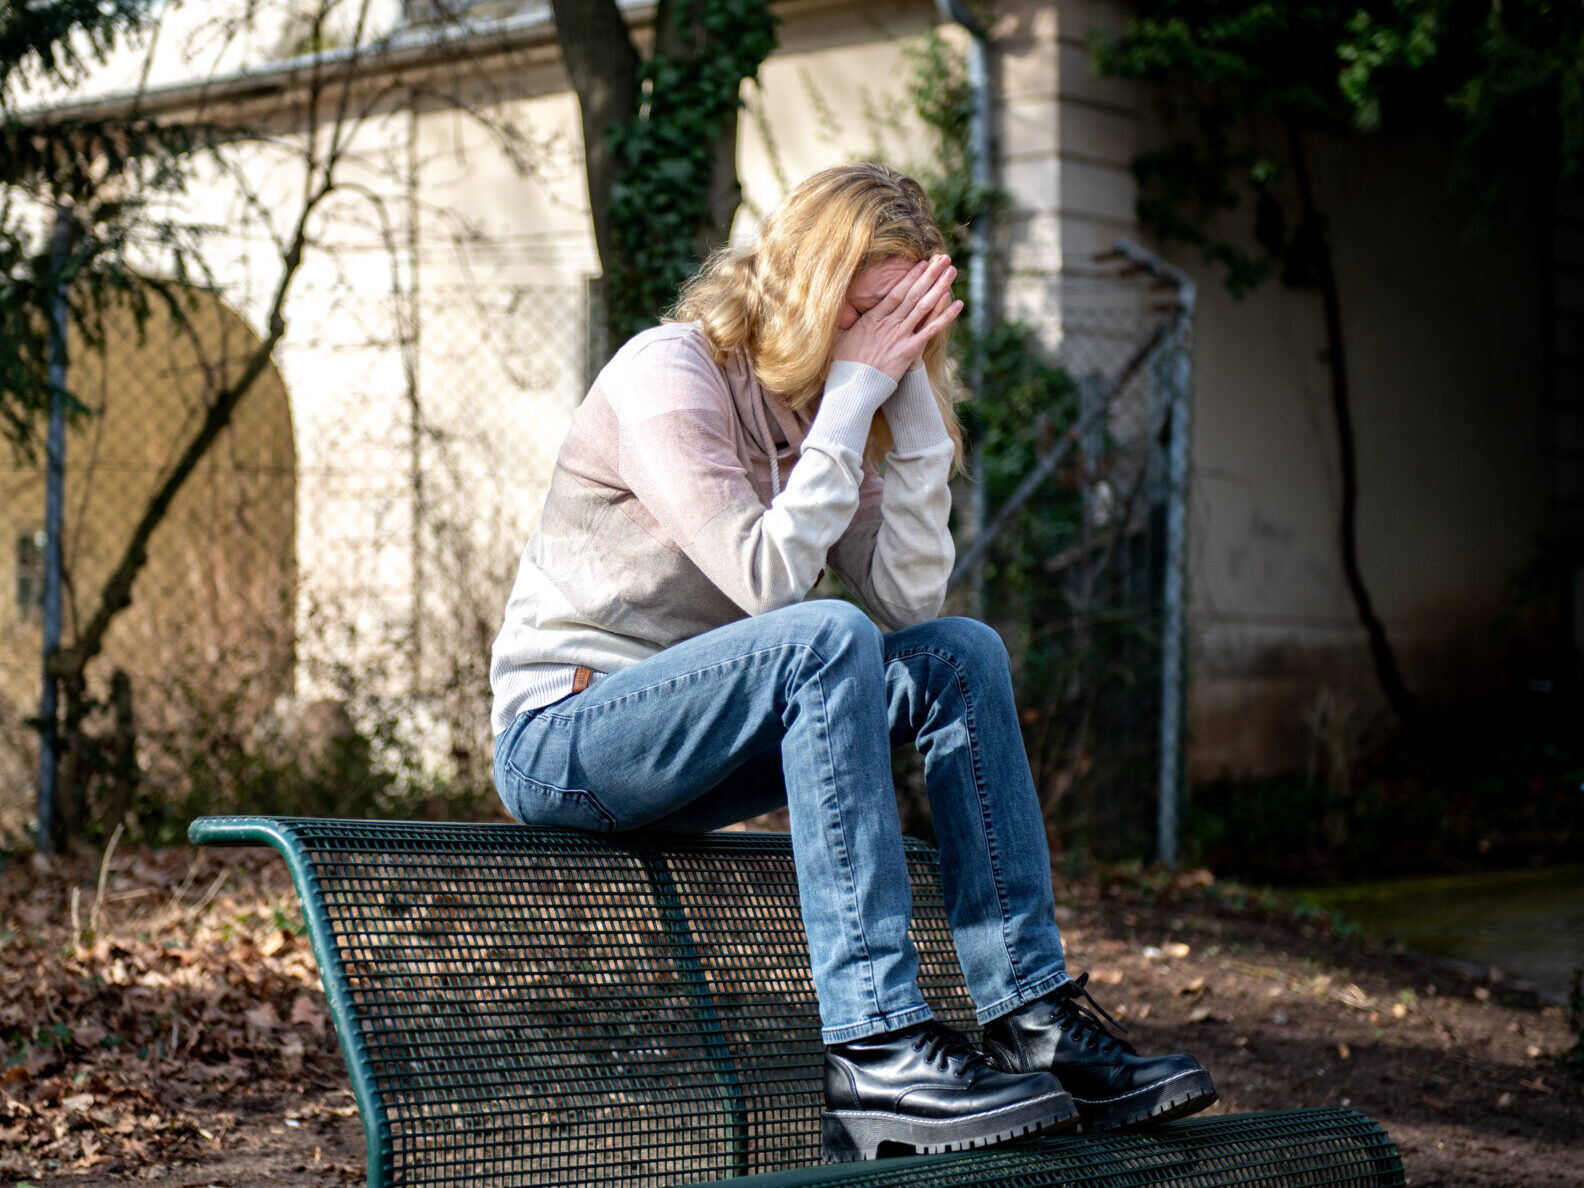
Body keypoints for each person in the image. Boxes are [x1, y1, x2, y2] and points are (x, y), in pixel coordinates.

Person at [490, 161, 1215, 1161]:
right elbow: (768, 582)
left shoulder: (829, 411)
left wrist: (908, 410)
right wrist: (857, 396)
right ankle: (875, 1045)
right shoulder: (671, 373)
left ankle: (1030, 1016)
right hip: (569, 736)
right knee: (822, 635)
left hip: (698, 742)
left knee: (959, 651)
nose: (885, 339)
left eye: (909, 318)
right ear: (810, 286)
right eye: (871, 312)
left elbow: (913, 600)